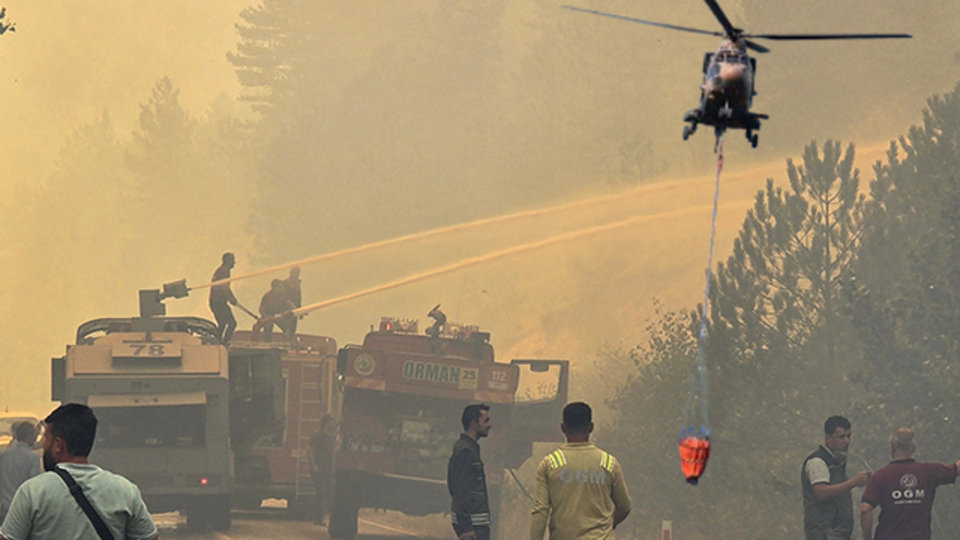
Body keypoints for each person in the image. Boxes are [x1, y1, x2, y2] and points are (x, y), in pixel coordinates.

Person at [0, 403, 157, 540]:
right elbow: (149, 537)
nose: (42, 446)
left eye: (46, 439)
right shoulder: (126, 490)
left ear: (58, 445)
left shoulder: (33, 493)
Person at [530, 402, 631, 540]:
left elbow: (540, 512)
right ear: (591, 427)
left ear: (563, 428)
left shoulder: (550, 464)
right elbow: (624, 506)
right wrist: (609, 525)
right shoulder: (608, 463)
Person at [860, 427, 958, 540]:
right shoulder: (929, 472)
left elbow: (865, 509)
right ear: (913, 448)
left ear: (892, 447)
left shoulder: (880, 476)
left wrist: (866, 538)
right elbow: (956, 469)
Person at [802, 415, 871, 540]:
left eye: (848, 436)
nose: (847, 441)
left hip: (839, 532)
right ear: (828, 438)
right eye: (841, 437)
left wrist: (846, 532)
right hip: (824, 532)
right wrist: (854, 482)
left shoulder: (838, 462)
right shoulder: (818, 462)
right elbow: (821, 493)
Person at [447, 404, 493, 540]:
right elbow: (460, 489)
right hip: (474, 524)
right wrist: (466, 528)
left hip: (476, 522)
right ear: (474, 424)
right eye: (486, 421)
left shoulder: (468, 448)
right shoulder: (466, 451)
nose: (490, 425)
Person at [0, 422, 41, 523]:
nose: (35, 438)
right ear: (29, 436)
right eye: (33, 435)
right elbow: (34, 486)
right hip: (23, 508)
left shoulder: (4, 455)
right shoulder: (33, 458)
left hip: (5, 507)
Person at [308, 415, 336, 525]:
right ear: (326, 423)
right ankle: (318, 517)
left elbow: (333, 452)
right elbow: (309, 450)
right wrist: (314, 465)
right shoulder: (317, 435)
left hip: (328, 468)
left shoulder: (332, 436)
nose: (332, 424)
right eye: (331, 422)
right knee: (320, 493)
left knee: (329, 492)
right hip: (318, 467)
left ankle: (325, 515)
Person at [209, 252, 239, 344]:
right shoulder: (224, 271)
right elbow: (224, 288)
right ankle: (224, 343)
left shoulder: (221, 270)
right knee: (232, 323)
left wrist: (231, 298)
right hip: (218, 302)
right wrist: (231, 298)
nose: (234, 262)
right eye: (232, 260)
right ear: (227, 260)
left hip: (216, 302)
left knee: (222, 324)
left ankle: (218, 342)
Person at [283, 267, 302, 339]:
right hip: (286, 308)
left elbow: (299, 297)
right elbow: (284, 297)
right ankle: (286, 340)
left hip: (295, 309)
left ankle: (289, 340)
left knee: (293, 327)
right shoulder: (286, 283)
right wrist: (292, 306)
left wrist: (300, 309)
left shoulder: (297, 284)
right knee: (287, 326)